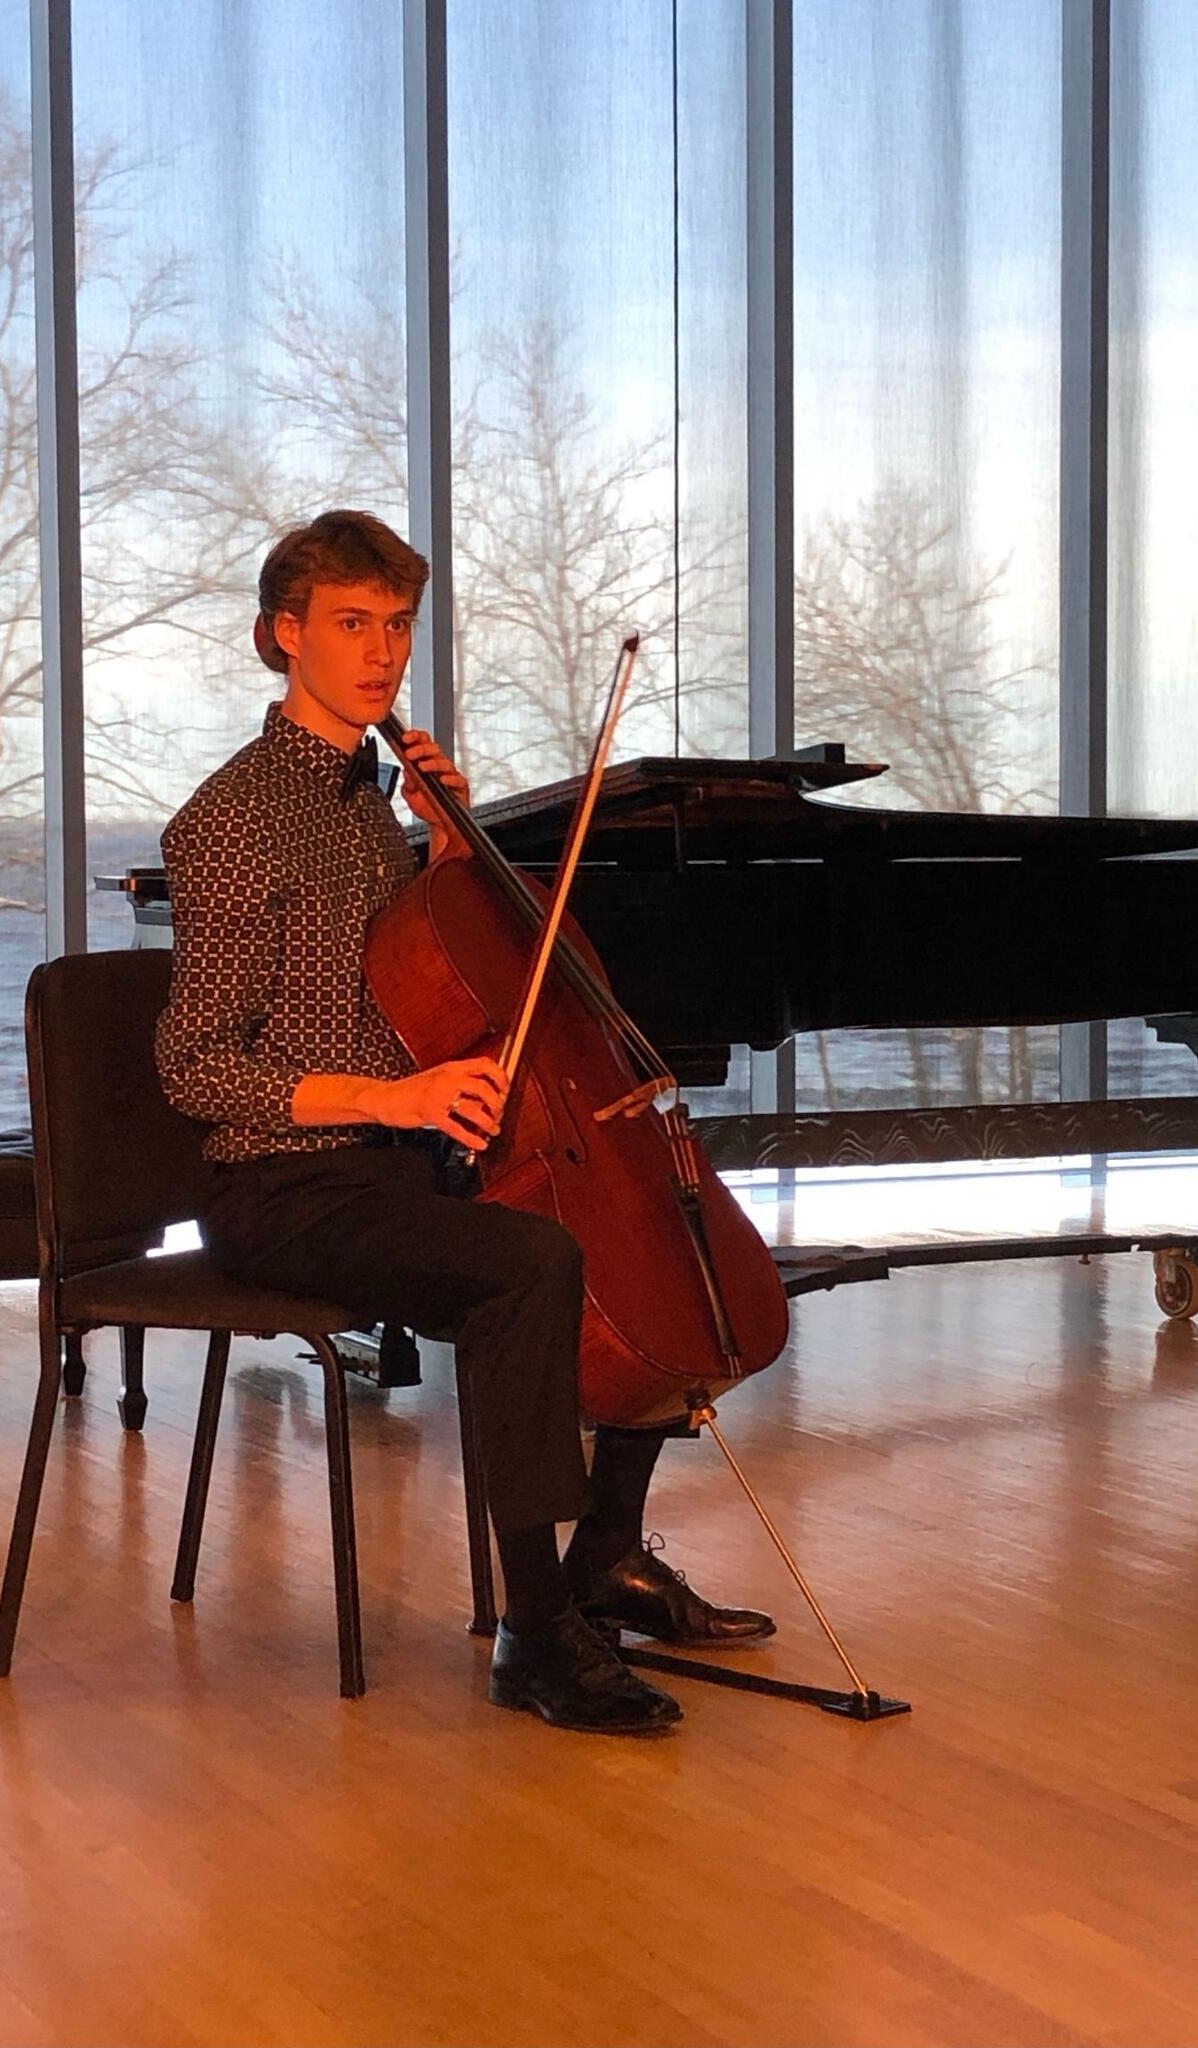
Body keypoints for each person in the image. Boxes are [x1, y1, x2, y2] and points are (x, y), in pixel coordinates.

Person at [155, 508, 774, 1735]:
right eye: (350, 624)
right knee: (529, 1263)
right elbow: (191, 1065)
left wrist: (449, 841)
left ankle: (603, 1559)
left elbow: (431, 978)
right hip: (284, 1183)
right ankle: (537, 1635)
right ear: (287, 637)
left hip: (394, 1163)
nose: (381, 651)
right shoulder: (227, 818)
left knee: (628, 1244)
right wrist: (394, 1098)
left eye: (396, 625)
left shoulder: (378, 805)